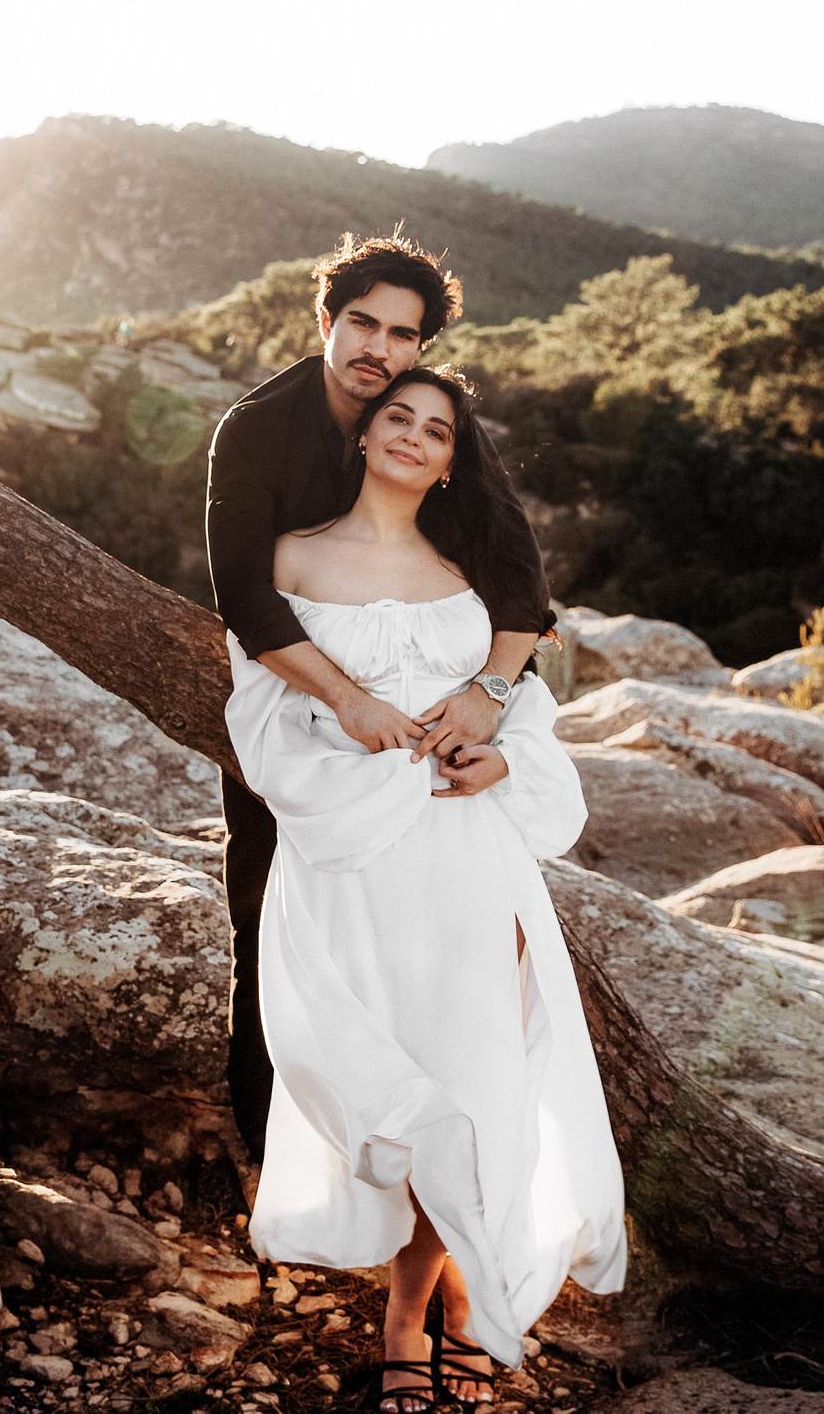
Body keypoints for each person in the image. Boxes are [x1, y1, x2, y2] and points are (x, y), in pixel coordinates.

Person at [225, 363, 626, 1413]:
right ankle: (416, 1305)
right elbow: (262, 718)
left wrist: (501, 758)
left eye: (434, 429)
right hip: (353, 862)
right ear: (362, 438)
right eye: (394, 418)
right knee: (386, 1078)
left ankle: (429, 1311)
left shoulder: (468, 572)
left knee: (477, 1080)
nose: (409, 436)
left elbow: (523, 708)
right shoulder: (289, 560)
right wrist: (366, 759)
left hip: (466, 863)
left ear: (452, 458)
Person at [204, 235, 555, 1167]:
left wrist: (487, 698)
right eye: (363, 322)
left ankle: (435, 1157)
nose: (380, 347)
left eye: (403, 334)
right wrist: (349, 701)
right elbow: (244, 595)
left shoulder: (435, 426)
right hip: (302, 701)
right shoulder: (257, 428)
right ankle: (284, 1151)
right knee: (265, 907)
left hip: (438, 710)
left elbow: (522, 589)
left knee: (448, 938)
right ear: (327, 320)